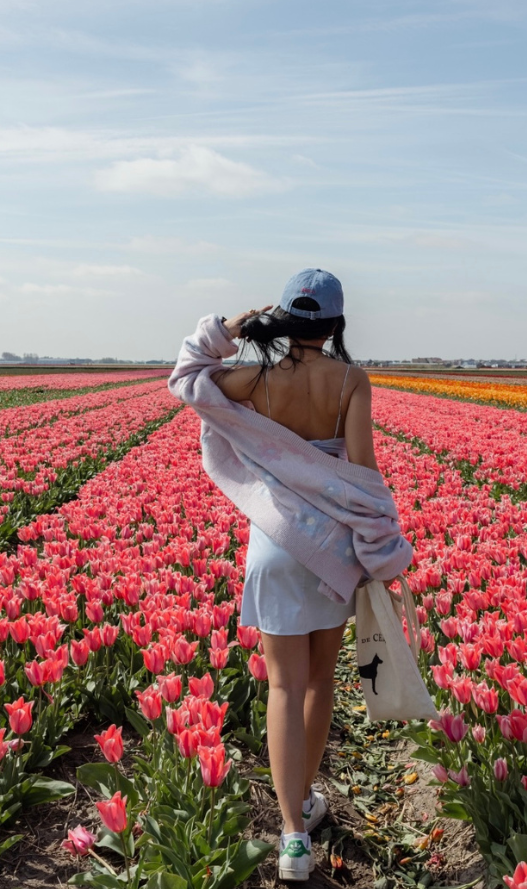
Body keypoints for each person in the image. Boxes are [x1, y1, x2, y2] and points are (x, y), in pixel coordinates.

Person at [168, 268, 412, 882]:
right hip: (331, 551)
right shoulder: (351, 380)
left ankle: (292, 837)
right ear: (335, 324)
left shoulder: (254, 379)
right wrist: (382, 553)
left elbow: (187, 375)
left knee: (280, 687)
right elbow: (363, 476)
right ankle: (303, 801)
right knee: (319, 683)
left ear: (285, 319)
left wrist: (230, 327)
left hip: (273, 546)